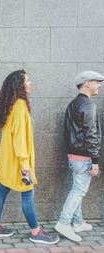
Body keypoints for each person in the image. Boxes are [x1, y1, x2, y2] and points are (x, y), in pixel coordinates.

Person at [0, 70, 59, 244]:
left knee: (2, 191)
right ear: (20, 84)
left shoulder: (10, 105)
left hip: (8, 161)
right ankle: (36, 232)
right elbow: (19, 138)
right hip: (18, 162)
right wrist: (25, 164)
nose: (30, 83)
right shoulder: (19, 105)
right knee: (27, 194)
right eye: (27, 80)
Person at [55, 71, 104, 242]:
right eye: (97, 82)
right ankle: (63, 222)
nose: (99, 85)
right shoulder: (88, 105)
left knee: (78, 188)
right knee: (79, 190)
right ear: (87, 83)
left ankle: (78, 222)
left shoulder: (73, 104)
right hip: (84, 157)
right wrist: (95, 161)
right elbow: (91, 135)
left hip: (74, 156)